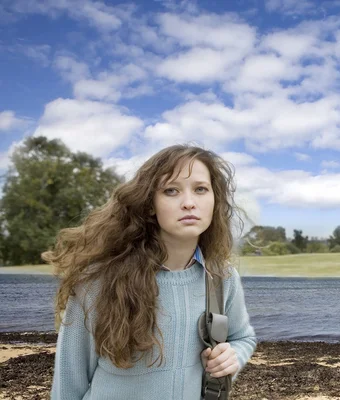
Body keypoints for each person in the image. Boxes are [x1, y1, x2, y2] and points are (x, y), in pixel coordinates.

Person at [43, 144, 257, 399]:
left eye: (200, 189)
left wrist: (231, 358)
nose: (189, 203)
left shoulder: (222, 277)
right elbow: (69, 385)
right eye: (171, 191)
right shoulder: (97, 281)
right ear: (150, 205)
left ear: (215, 199)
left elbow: (242, 338)